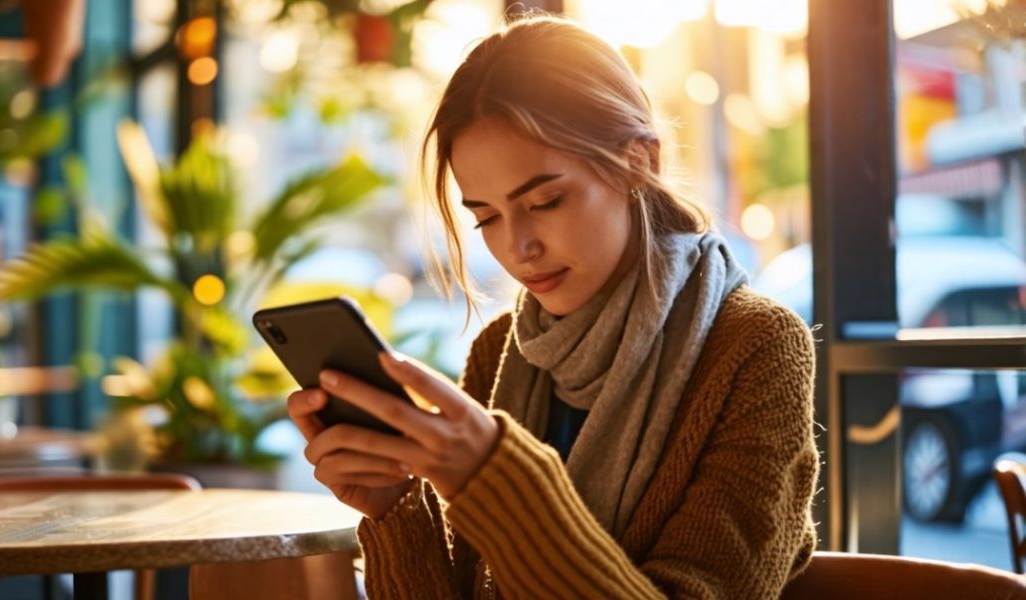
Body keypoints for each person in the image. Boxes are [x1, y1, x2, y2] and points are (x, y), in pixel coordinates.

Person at [287, 13, 818, 599]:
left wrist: (497, 482)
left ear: (640, 162)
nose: (517, 248)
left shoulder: (756, 346)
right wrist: (396, 511)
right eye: (486, 217)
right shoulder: (502, 350)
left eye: (545, 200)